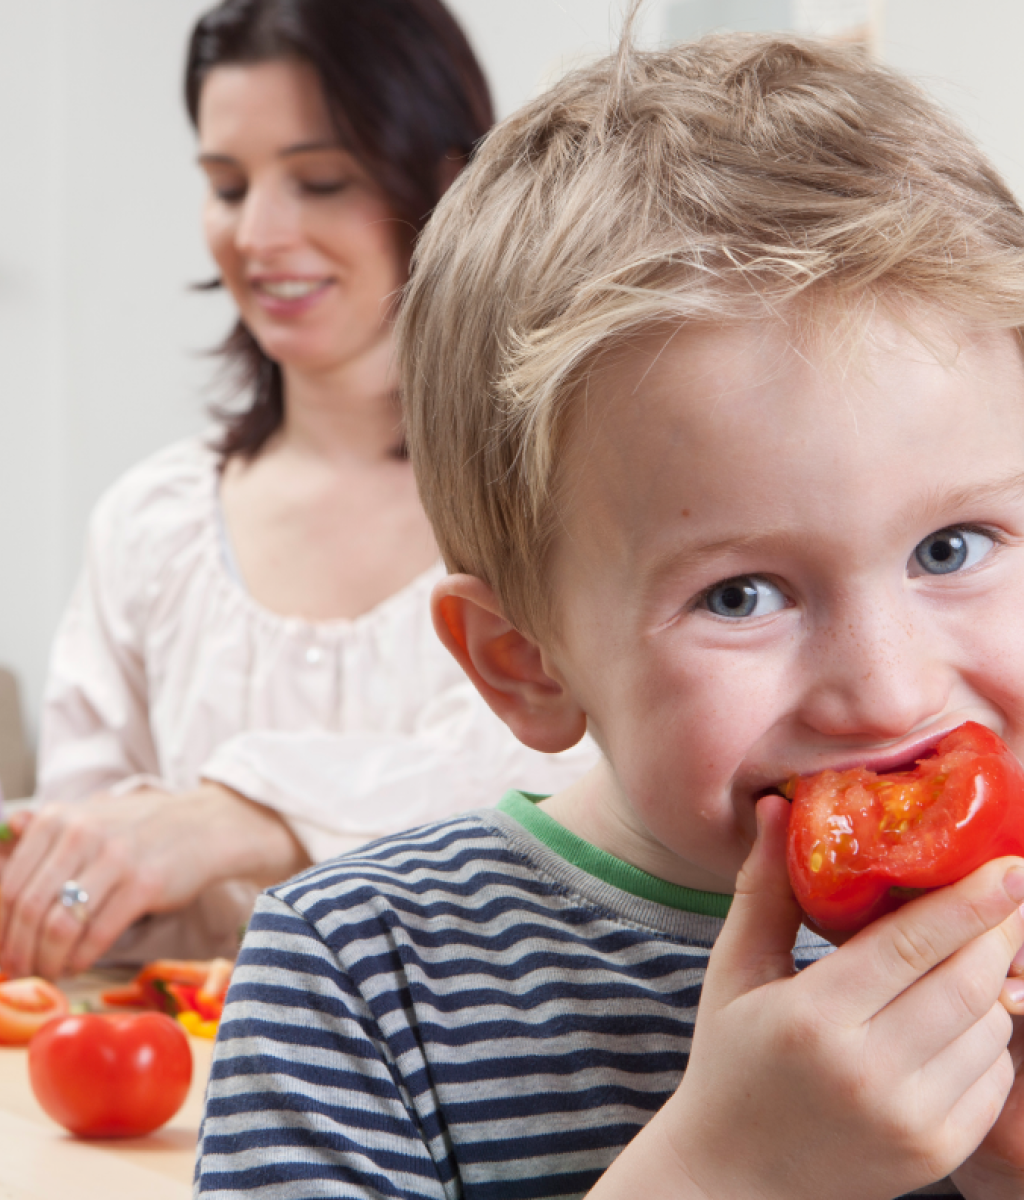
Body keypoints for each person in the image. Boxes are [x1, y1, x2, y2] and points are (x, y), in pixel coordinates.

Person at [195, 22, 1024, 1200]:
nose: (887, 690)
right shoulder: (354, 979)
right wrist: (722, 1173)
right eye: (740, 594)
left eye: (950, 546)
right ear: (523, 663)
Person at [0, 0, 596, 982]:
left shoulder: (554, 496)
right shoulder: (153, 525)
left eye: (320, 181)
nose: (260, 234)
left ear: (447, 181)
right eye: (228, 186)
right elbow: (86, 865)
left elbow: (575, 797)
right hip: (175, 1109)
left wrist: (246, 814)